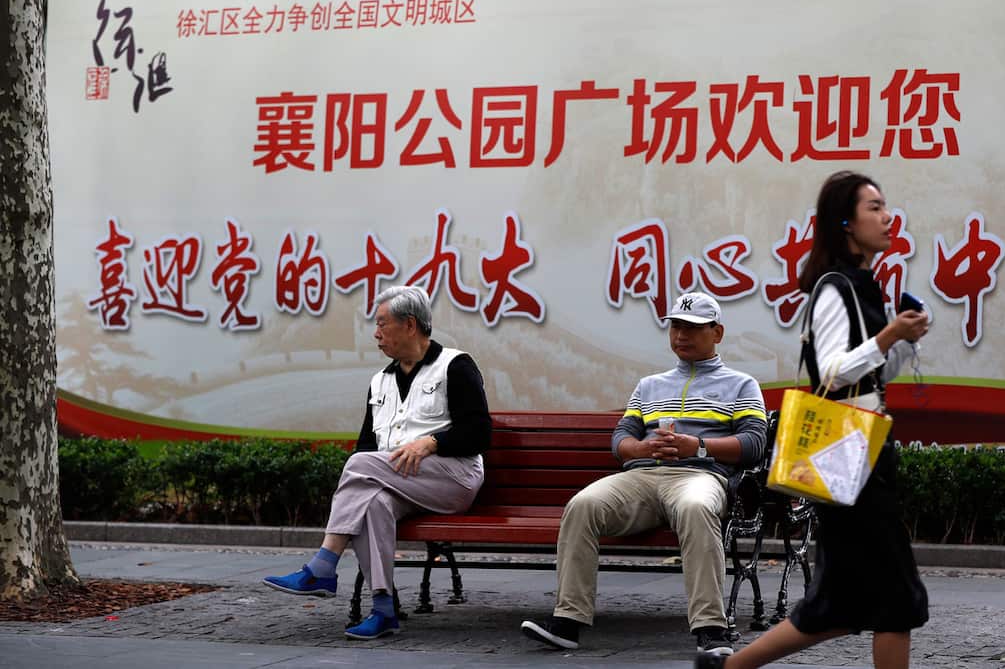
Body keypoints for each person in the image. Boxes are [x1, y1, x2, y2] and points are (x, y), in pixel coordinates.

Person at [696, 170, 931, 669]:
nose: (887, 217)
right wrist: (888, 337)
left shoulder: (863, 285)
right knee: (896, 602)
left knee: (837, 608)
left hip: (863, 451)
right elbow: (831, 371)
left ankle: (726, 668)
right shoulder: (833, 288)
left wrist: (903, 342)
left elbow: (868, 377)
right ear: (845, 223)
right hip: (850, 458)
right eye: (875, 207)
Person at [521, 291, 768, 657]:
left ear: (717, 332)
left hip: (700, 476)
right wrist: (639, 449)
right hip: (642, 477)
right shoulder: (650, 385)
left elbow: (754, 443)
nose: (681, 335)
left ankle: (711, 629)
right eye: (676, 326)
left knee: (696, 508)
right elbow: (621, 436)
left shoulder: (741, 384)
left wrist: (697, 446)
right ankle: (567, 622)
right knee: (582, 504)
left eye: (693, 328)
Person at [262, 284, 491, 640]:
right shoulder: (379, 381)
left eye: (383, 323)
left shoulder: (455, 366)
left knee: (358, 465)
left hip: (453, 478)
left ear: (410, 325)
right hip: (398, 480)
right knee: (374, 504)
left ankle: (323, 564)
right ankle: (383, 607)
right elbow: (368, 444)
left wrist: (431, 442)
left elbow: (479, 433)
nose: (376, 332)